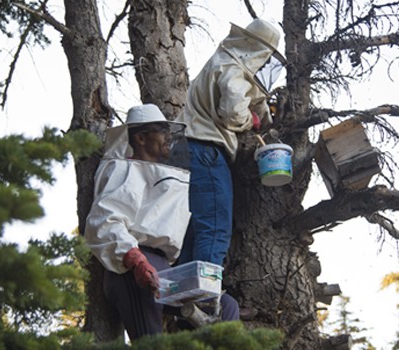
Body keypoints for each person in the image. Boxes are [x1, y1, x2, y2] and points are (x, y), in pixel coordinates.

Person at [84, 103, 238, 341]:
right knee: (151, 343)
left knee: (225, 306)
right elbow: (105, 220)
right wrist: (136, 262)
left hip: (166, 269)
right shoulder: (123, 169)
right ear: (142, 138)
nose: (169, 137)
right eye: (161, 131)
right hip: (131, 268)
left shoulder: (165, 175)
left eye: (169, 131)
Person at [175, 18, 286, 268]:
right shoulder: (233, 69)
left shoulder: (224, 60)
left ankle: (183, 296)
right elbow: (234, 110)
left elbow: (251, 95)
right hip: (206, 150)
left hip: (187, 148)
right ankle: (204, 297)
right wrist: (253, 120)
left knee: (192, 229)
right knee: (215, 228)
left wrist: (267, 115)